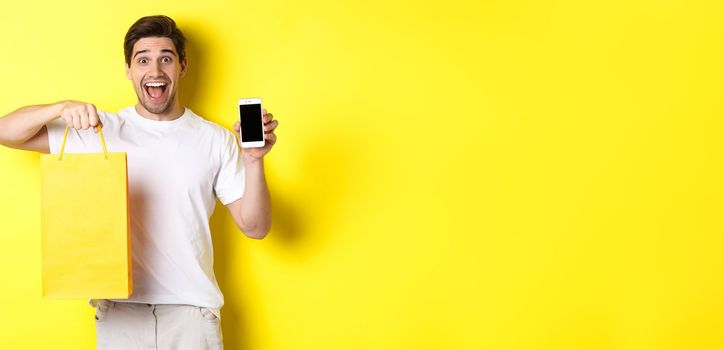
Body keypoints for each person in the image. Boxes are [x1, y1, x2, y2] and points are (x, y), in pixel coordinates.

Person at [0, 15, 278, 349]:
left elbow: (256, 227)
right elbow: (6, 132)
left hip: (192, 315)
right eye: (143, 59)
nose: (155, 70)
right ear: (129, 70)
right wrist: (59, 108)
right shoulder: (97, 130)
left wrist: (253, 161)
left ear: (182, 67)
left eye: (166, 58)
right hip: (120, 315)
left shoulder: (214, 139)